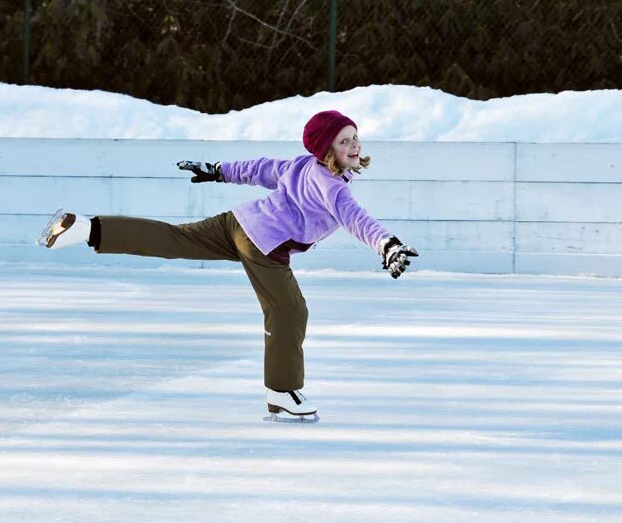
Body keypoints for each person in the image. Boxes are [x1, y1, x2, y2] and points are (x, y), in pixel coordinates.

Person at [37, 110, 418, 422]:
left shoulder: (301, 166)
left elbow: (260, 168)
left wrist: (216, 169)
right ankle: (282, 392)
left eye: (355, 137)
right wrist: (386, 244)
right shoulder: (332, 185)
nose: (354, 145)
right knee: (289, 310)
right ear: (326, 149)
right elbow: (355, 217)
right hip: (263, 242)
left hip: (238, 223)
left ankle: (88, 230)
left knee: (174, 238)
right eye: (344, 140)